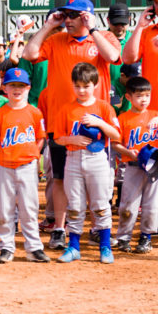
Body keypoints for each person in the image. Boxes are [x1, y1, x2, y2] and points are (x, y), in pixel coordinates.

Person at [22, 0, 121, 252]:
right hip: (62, 119)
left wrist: (95, 28)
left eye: (73, 15)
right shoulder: (56, 39)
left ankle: (99, 229)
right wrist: (48, 26)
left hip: (94, 121)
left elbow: (112, 56)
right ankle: (59, 229)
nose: (67, 19)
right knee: (61, 178)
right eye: (65, 14)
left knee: (98, 179)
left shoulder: (103, 37)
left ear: (86, 16)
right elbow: (29, 53)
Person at [52, 62, 121, 264]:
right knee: (75, 204)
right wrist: (69, 140)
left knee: (100, 203)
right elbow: (57, 137)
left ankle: (105, 247)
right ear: (72, 85)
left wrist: (100, 122)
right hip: (73, 158)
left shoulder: (103, 107)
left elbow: (116, 135)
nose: (82, 90)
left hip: (97, 159)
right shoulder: (66, 108)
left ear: (95, 85)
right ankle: (74, 247)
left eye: (86, 86)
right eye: (78, 86)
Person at [113, 76, 158, 254]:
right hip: (133, 166)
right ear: (128, 97)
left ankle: (146, 237)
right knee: (128, 204)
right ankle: (124, 237)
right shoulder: (124, 118)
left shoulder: (156, 115)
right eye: (139, 96)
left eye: (147, 96)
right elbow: (115, 143)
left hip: (154, 167)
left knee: (152, 204)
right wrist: (128, 152)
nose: (144, 100)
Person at [0, 68, 49, 263]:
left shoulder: (34, 112)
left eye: (21, 86)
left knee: (29, 208)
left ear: (28, 88)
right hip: (5, 166)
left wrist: (33, 155)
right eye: (12, 85)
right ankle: (6, 247)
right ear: (4, 88)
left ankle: (34, 248)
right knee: (4, 209)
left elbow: (40, 138)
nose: (17, 89)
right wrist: (1, 156)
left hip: (27, 166)